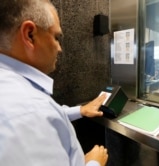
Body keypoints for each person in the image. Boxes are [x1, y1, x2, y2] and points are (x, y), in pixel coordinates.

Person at [0, 0, 108, 166]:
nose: (59, 49)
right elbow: (37, 116)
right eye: (56, 37)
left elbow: (49, 117)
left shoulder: (11, 87)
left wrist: (80, 110)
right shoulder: (29, 112)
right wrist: (94, 163)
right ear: (30, 35)